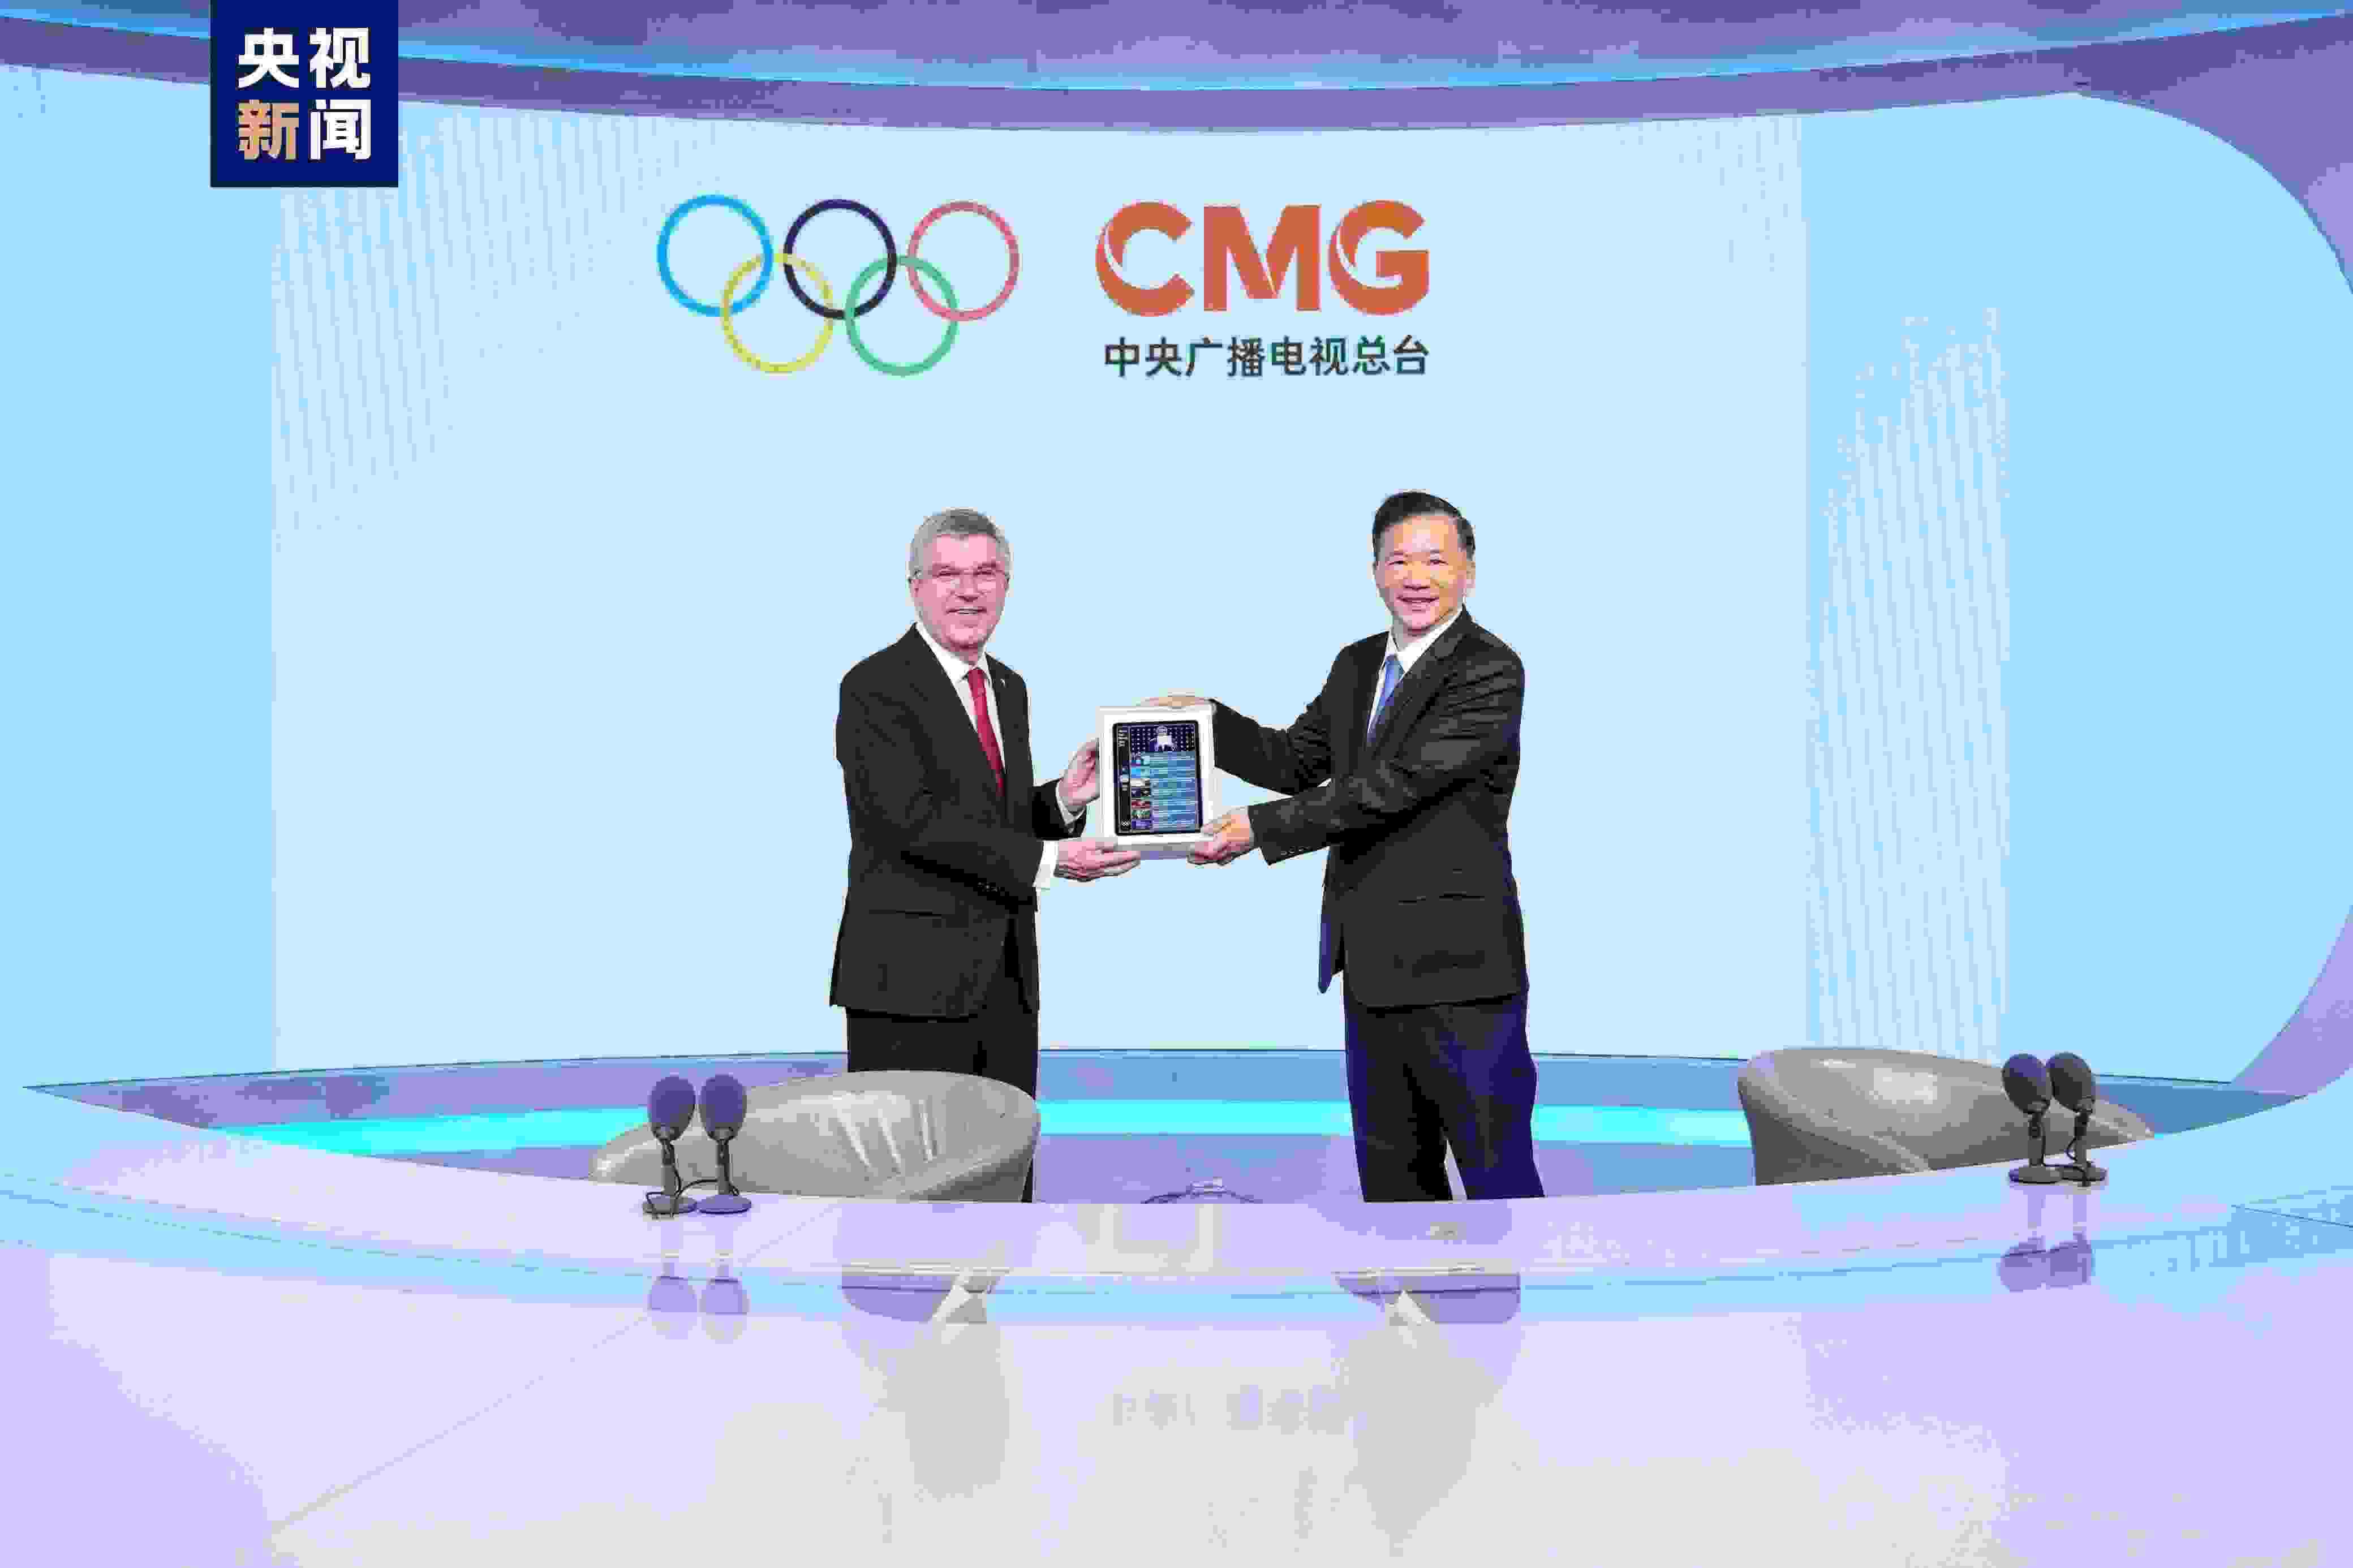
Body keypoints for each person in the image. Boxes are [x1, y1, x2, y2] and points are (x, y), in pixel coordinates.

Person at [1147, 491, 1542, 1203]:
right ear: (1374, 571)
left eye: (1434, 561)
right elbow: (1295, 760)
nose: (1415, 578)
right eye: (1398, 561)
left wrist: (1260, 828)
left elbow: (1397, 785)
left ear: (1468, 573)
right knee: (1393, 1185)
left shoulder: (1489, 669)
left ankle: (1514, 1286)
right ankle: (1408, 1284)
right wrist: (1206, 720)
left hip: (1463, 977)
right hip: (1371, 969)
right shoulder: (1356, 665)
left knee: (1498, 1179)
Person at [833, 508, 1139, 1201]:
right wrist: (1051, 862)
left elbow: (987, 819)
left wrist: (1062, 800)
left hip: (1005, 983)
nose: (968, 591)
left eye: (985, 574)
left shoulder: (1008, 686)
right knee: (908, 1202)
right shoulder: (874, 687)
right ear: (915, 587)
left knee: (1005, 1189)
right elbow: (910, 823)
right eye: (947, 574)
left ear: (1007, 585)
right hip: (909, 990)